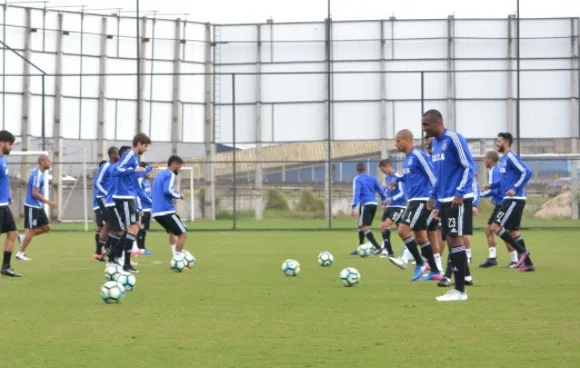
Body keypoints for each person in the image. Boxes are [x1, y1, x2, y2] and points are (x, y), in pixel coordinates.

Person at [423, 109, 475, 301]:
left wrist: (460, 192)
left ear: (438, 123)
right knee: (451, 239)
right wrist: (433, 197)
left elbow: (468, 165)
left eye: (426, 124)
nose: (424, 128)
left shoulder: (453, 138)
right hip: (444, 200)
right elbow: (439, 175)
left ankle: (460, 290)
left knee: (455, 239)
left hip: (457, 198)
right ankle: (458, 288)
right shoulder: (435, 144)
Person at [387, 129, 442, 281]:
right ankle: (436, 271)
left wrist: (435, 199)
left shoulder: (418, 155)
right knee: (421, 237)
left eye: (398, 140)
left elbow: (432, 175)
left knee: (402, 230)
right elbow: (410, 175)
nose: (395, 143)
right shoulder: (407, 159)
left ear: (407, 140)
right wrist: (398, 180)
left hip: (421, 200)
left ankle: (419, 263)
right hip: (413, 200)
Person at [483, 132, 535, 272]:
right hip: (510, 199)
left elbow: (527, 171)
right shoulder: (504, 159)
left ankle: (522, 252)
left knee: (495, 227)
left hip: (514, 199)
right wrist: (491, 186)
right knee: (513, 231)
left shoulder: (511, 157)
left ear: (505, 142)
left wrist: (515, 188)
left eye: (499, 141)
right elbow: (503, 181)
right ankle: (529, 264)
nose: (497, 143)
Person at [479, 151, 519, 268]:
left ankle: (515, 259)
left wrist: (480, 195)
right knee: (489, 230)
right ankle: (492, 258)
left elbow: (498, 188)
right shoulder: (496, 169)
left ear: (490, 159)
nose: (484, 161)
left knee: (500, 231)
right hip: (500, 203)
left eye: (485, 158)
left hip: (503, 204)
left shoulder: (494, 170)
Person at [15, 155, 57, 261]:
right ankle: (20, 253)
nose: (50, 162)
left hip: (38, 206)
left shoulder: (38, 173)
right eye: (48, 160)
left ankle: (23, 238)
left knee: (47, 227)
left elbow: (28, 187)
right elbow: (34, 193)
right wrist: (48, 202)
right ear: (42, 162)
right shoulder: (38, 174)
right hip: (32, 206)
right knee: (32, 230)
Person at [152, 155, 188, 259]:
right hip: (166, 211)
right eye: (179, 166)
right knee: (183, 234)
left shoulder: (159, 175)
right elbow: (167, 190)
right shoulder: (170, 174)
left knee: (172, 232)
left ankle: (175, 255)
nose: (179, 169)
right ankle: (178, 259)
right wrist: (179, 195)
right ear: (174, 164)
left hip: (156, 212)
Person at [349, 162, 386, 255]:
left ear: (357, 170)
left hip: (365, 204)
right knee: (361, 226)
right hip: (373, 204)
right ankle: (360, 248)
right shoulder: (373, 178)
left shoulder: (358, 179)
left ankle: (378, 247)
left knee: (364, 227)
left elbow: (356, 193)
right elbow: (380, 190)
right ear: (366, 169)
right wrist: (384, 202)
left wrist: (353, 206)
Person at [0, 130, 21, 277]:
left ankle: (6, 267)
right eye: (10, 144)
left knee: (12, 233)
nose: (11, 147)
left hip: (3, 205)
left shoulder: (3, 160)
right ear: (2, 143)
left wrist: (7, 197)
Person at [93, 147, 120, 260]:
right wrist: (107, 193)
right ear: (112, 154)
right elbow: (97, 183)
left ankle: (102, 251)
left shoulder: (116, 167)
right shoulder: (106, 166)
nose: (120, 156)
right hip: (104, 199)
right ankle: (109, 252)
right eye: (118, 154)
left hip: (111, 199)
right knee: (114, 226)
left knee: (108, 224)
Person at [377, 159, 406, 258]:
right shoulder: (388, 178)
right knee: (384, 226)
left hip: (399, 206)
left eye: (382, 169)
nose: (382, 172)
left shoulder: (398, 177)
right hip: (391, 206)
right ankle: (389, 251)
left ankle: (406, 251)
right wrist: (384, 203)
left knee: (387, 225)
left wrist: (392, 198)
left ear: (387, 166)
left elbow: (403, 193)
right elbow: (389, 192)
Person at [135, 161, 153, 255]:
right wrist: (140, 208)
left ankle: (143, 247)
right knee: (140, 229)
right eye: (148, 171)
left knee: (145, 229)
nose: (149, 174)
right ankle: (139, 248)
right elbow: (137, 195)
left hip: (148, 209)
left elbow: (149, 195)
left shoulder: (146, 182)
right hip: (142, 210)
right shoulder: (139, 180)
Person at [92, 160, 107, 261]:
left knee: (100, 227)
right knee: (105, 227)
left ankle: (99, 251)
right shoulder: (100, 179)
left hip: (97, 205)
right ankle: (99, 251)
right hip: (100, 204)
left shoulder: (99, 177)